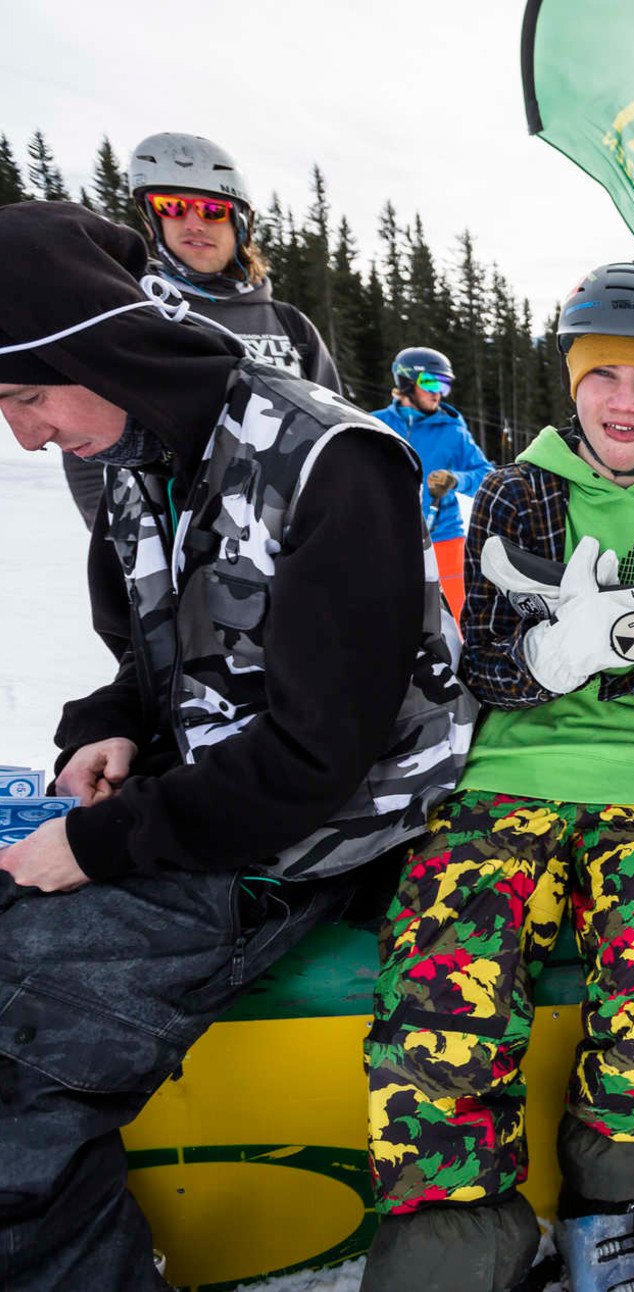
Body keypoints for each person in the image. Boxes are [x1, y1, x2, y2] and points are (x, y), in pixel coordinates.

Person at [0, 200, 472, 1292]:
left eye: (29, 396)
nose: (24, 434)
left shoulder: (332, 461)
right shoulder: (137, 453)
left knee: (21, 1052)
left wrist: (106, 844)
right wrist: (108, 726)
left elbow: (319, 757)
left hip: (320, 831)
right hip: (209, 793)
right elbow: (150, 657)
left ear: (99, 348)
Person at [361, 263, 634, 1292]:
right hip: (509, 766)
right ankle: (454, 1246)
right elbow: (485, 657)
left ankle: (607, 1214)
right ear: (572, 378)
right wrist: (547, 657)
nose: (626, 400)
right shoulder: (512, 490)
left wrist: (598, 642)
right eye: (604, 373)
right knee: (446, 967)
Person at [58, 132, 342, 530]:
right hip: (169, 547)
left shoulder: (290, 325)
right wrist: (120, 537)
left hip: (285, 545)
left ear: (239, 222)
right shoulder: (133, 315)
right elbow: (86, 444)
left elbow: (335, 437)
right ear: (153, 218)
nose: (192, 223)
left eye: (211, 210)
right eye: (172, 206)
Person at [371, 346, 494, 616]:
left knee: (459, 615)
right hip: (389, 539)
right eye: (430, 381)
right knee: (391, 615)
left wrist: (456, 480)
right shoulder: (375, 425)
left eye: (445, 384)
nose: (438, 391)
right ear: (405, 382)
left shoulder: (453, 431)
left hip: (444, 539)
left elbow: (486, 474)